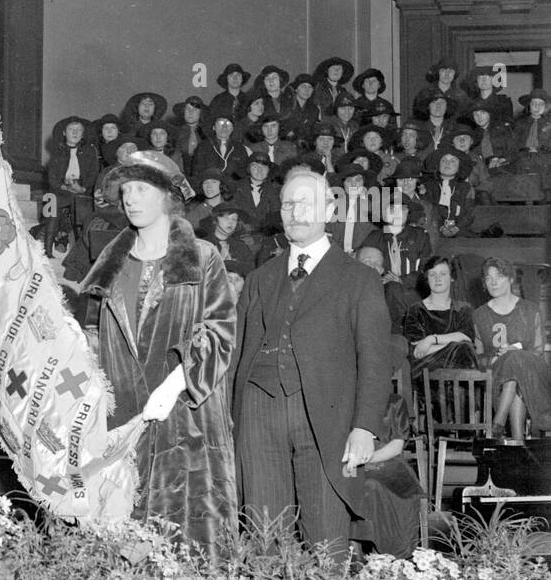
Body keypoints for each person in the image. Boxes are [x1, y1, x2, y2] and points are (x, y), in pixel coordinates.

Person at [79, 152, 238, 552]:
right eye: (126, 189)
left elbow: (219, 333)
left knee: (185, 538)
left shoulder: (202, 257)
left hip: (185, 419)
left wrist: (177, 380)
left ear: (167, 195)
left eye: (142, 189)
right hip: (124, 419)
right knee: (122, 542)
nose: (130, 198)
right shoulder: (110, 263)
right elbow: (93, 336)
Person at [231, 167, 392, 559]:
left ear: (328, 209)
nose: (295, 212)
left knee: (325, 538)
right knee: (263, 536)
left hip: (326, 417)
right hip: (258, 412)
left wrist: (365, 427)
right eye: (288, 204)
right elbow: (235, 354)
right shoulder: (259, 278)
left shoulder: (359, 279)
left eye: (305, 203)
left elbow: (375, 360)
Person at [472, 257, 551, 441]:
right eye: (488, 278)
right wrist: (494, 359)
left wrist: (514, 353)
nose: (493, 282)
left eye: (498, 276)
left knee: (516, 360)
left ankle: (498, 423)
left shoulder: (530, 310)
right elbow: (478, 355)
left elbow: (538, 352)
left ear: (511, 279)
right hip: (496, 375)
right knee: (513, 364)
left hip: (531, 374)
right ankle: (517, 439)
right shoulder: (479, 314)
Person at [350, 392, 425, 560]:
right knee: (357, 485)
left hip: (386, 460)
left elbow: (397, 446)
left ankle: (387, 553)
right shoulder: (347, 398)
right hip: (351, 461)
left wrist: (367, 461)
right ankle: (355, 550)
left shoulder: (395, 402)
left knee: (373, 486)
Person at [402, 255, 480, 383]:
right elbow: (418, 351)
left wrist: (431, 340)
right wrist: (455, 342)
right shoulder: (415, 310)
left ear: (452, 278)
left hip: (458, 366)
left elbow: (467, 337)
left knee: (465, 348)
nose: (437, 279)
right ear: (427, 278)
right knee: (463, 348)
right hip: (426, 371)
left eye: (443, 274)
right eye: (432, 274)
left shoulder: (463, 308)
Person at [41, 115, 98, 258]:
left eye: (79, 130)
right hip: (60, 189)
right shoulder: (58, 151)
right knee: (51, 206)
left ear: (83, 134)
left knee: (81, 217)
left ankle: (79, 254)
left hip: (81, 190)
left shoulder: (90, 152)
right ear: (64, 133)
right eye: (71, 129)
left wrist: (83, 188)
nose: (75, 132)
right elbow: (52, 177)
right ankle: (47, 250)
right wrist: (63, 187)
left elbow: (93, 173)